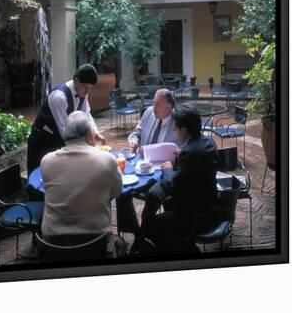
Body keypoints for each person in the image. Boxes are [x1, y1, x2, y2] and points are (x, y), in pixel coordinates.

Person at [40, 111, 124, 257]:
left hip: (53, 243)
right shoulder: (107, 160)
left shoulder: (46, 161)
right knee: (121, 244)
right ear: (90, 135)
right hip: (95, 242)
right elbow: (117, 192)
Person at [139, 105, 220, 255]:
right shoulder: (209, 142)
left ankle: (179, 250)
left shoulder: (189, 152)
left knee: (149, 224)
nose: (175, 133)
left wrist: (168, 168)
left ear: (183, 130)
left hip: (194, 214)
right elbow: (198, 161)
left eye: (176, 129)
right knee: (156, 198)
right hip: (211, 203)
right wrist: (183, 154)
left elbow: (171, 185)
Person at [116, 89, 179, 236]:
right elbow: (136, 133)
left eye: (157, 104)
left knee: (152, 196)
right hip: (142, 166)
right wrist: (133, 141)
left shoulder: (178, 122)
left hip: (163, 171)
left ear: (168, 107)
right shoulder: (149, 113)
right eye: (153, 103)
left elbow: (182, 149)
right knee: (121, 187)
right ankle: (131, 228)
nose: (153, 107)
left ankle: (145, 231)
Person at [27, 64, 106, 174]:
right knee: (37, 178)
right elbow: (64, 129)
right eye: (85, 87)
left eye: (90, 88)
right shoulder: (59, 97)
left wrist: (96, 134)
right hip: (42, 140)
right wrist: (85, 148)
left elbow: (86, 115)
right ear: (76, 80)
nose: (87, 92)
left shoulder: (83, 93)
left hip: (57, 139)